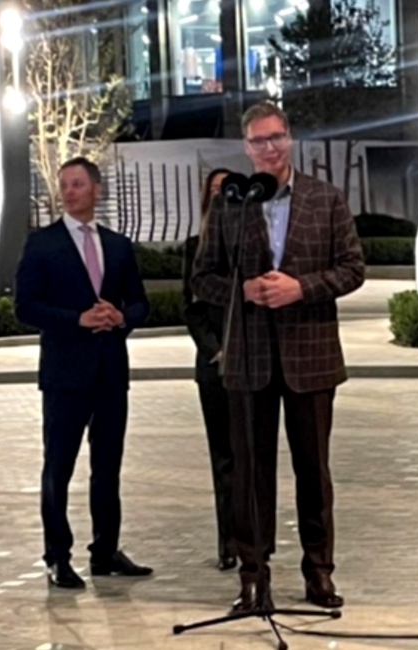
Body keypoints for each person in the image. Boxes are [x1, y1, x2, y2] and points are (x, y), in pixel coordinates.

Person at [190, 102, 365, 611]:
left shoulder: (325, 199)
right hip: (250, 359)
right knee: (250, 474)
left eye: (276, 137)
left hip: (311, 356)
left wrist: (301, 288)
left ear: (290, 139)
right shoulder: (231, 203)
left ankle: (319, 571)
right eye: (258, 140)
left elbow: (353, 269)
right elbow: (202, 278)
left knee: (314, 471)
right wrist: (242, 290)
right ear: (246, 147)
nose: (269, 147)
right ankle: (253, 575)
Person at [14, 156, 153, 589]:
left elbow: (140, 303)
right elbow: (25, 307)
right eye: (65, 185)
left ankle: (105, 550)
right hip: (64, 375)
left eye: (77, 184)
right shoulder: (42, 244)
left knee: (107, 467)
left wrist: (121, 316)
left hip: (110, 372)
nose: (69, 192)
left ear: (96, 188)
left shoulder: (117, 245)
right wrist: (77, 319)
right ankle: (57, 556)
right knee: (58, 467)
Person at [182, 167, 236, 571]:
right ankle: (228, 544)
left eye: (228, 190)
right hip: (215, 366)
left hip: (255, 365)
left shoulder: (256, 243)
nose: (221, 197)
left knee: (253, 457)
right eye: (215, 191)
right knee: (224, 459)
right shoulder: (196, 246)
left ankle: (257, 541)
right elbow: (191, 308)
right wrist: (215, 351)